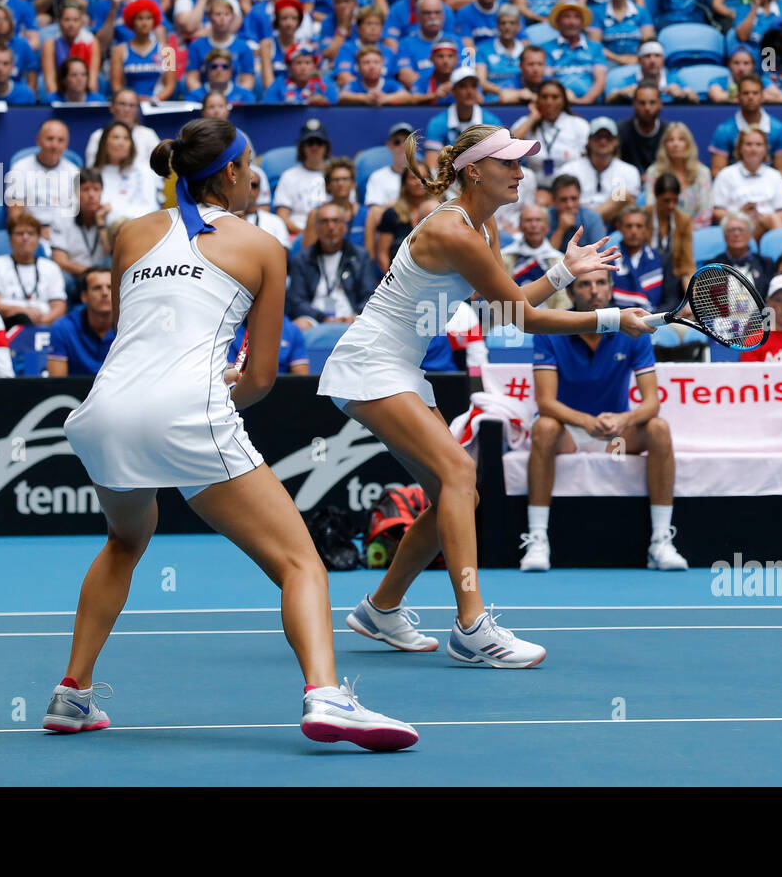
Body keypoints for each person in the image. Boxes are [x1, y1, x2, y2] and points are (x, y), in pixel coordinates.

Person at [55, 117, 416, 748]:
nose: (256, 176)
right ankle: (327, 695)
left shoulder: (131, 232)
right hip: (187, 413)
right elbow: (262, 378)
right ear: (228, 172)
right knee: (301, 561)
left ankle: (72, 693)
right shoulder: (263, 246)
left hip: (104, 412)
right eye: (250, 165)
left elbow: (132, 339)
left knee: (124, 540)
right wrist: (220, 387)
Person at [319, 124, 656, 666]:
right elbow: (524, 318)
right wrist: (613, 317)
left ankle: (380, 610)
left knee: (458, 493)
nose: (522, 174)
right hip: (371, 364)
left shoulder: (483, 224)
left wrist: (565, 269)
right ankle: (472, 626)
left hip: (401, 367)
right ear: (474, 170)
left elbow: (505, 305)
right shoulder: (453, 230)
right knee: (459, 475)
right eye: (511, 164)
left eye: (523, 164)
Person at [522, 265, 683, 572]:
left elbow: (652, 403)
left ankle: (661, 541)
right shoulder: (549, 330)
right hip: (567, 434)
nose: (593, 290)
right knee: (543, 427)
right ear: (570, 292)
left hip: (614, 437)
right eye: (584, 284)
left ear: (611, 289)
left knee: (659, 429)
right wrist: (584, 421)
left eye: (600, 283)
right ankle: (537, 539)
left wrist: (625, 419)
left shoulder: (635, 330)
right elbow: (545, 403)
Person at [286, 201, 378, 330]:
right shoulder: (302, 260)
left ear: (344, 227)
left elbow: (369, 295)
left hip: (352, 318)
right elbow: (296, 301)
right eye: (325, 221)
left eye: (336, 221)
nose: (330, 227)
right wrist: (323, 318)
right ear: (316, 228)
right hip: (315, 319)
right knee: (298, 326)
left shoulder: (360, 257)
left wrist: (354, 316)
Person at [0, 212, 68, 327]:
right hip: (6, 325)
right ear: (10, 239)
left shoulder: (51, 267)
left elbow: (59, 306)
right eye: (19, 234)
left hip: (43, 326)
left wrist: (42, 321)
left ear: (38, 239)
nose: (25, 238)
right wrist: (22, 312)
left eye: (31, 233)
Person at [510, 78, 592, 194]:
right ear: (538, 100)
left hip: (572, 189)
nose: (549, 102)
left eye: (555, 97)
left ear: (563, 101)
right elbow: (508, 146)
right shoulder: (528, 122)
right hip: (537, 189)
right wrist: (533, 118)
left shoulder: (579, 125)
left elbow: (589, 160)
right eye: (544, 97)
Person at [558, 117, 643, 225]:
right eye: (598, 137)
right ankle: (590, 225)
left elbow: (630, 207)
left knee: (623, 196)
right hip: (574, 222)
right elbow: (565, 205)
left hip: (613, 227)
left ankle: (588, 225)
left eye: (608, 137)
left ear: (616, 141)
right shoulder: (570, 169)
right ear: (589, 140)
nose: (603, 141)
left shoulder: (629, 171)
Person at [711, 129, 782, 238]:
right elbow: (717, 211)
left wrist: (762, 218)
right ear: (740, 148)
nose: (753, 149)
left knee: (773, 218)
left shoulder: (775, 176)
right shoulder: (726, 175)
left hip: (768, 228)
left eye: (758, 145)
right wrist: (739, 215)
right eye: (748, 144)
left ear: (766, 149)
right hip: (736, 226)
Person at [6, 120, 80, 235]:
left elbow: (76, 212)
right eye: (50, 139)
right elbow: (15, 213)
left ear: (66, 144)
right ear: (38, 140)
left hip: (65, 233)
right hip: (31, 233)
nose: (54, 145)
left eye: (60, 140)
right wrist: (36, 232)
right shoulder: (19, 168)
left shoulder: (74, 172)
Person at [47, 267, 117, 376]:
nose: (105, 293)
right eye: (97, 288)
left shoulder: (130, 326)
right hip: (75, 392)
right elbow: (57, 384)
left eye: (110, 287)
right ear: (84, 296)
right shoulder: (64, 327)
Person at [644, 122, 713, 228]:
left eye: (681, 139)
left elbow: (706, 212)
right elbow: (650, 206)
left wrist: (687, 230)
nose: (676, 144)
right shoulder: (654, 172)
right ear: (664, 145)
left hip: (696, 231)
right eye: (671, 140)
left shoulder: (702, 172)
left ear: (688, 144)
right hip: (661, 230)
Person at [92, 120, 163, 222]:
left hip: (139, 229)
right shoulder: (94, 174)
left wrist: (115, 213)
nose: (121, 143)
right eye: (116, 137)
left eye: (126, 138)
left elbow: (151, 208)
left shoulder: (144, 171)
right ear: (104, 142)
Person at [51, 169, 112, 284]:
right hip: (75, 276)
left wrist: (101, 225)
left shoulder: (110, 216)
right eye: (85, 189)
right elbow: (60, 261)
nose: (91, 195)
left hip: (105, 277)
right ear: (75, 193)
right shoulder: (62, 217)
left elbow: (111, 255)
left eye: (96, 189)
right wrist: (92, 273)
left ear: (102, 192)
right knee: (62, 278)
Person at [86, 91, 162, 180]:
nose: (127, 109)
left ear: (137, 109)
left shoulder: (149, 134)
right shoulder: (98, 136)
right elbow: (92, 171)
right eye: (122, 104)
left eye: (132, 105)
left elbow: (160, 169)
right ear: (112, 107)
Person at [275, 119, 333, 237]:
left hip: (332, 232)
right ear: (302, 147)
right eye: (310, 142)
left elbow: (347, 211)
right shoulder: (289, 176)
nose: (314, 147)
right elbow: (282, 216)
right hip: (298, 234)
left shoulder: (336, 175)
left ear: (326, 146)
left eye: (319, 142)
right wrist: (305, 235)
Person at [645, 174, 697, 286]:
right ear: (656, 195)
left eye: (675, 200)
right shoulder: (642, 217)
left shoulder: (684, 221)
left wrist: (690, 295)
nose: (671, 206)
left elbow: (687, 264)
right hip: (645, 277)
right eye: (666, 201)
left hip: (673, 280)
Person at [716, 212, 775, 295]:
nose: (736, 234)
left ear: (750, 235)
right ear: (724, 235)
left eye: (741, 229)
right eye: (731, 230)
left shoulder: (765, 264)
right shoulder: (713, 266)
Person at [617, 82, 667, 175]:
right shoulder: (621, 130)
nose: (647, 108)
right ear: (634, 104)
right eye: (642, 103)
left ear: (660, 104)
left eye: (652, 102)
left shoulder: (668, 132)